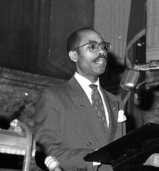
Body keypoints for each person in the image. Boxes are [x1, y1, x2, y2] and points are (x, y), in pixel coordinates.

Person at [33, 27, 126, 171]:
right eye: (93, 47)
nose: (102, 52)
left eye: (104, 47)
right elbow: (44, 151)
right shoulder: (53, 96)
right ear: (74, 56)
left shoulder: (115, 101)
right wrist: (93, 157)